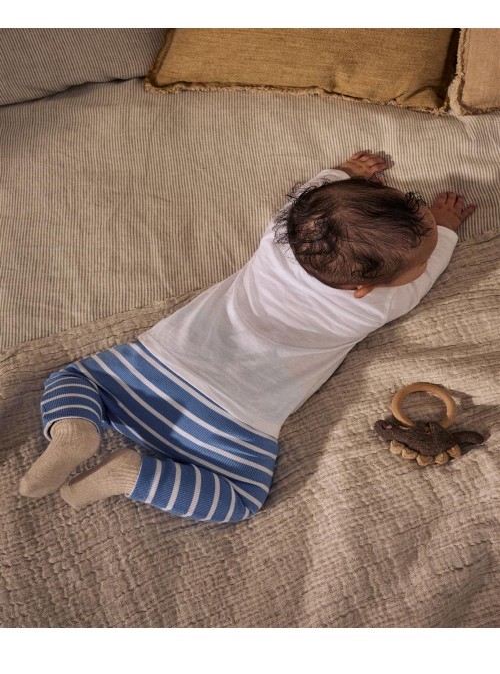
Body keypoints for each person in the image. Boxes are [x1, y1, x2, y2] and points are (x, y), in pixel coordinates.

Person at [19, 151, 477, 522]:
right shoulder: (377, 304)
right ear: (364, 287)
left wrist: (344, 173)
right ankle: (131, 477)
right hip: (234, 421)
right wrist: (446, 228)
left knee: (73, 378)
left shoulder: (279, 241)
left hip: (148, 370)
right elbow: (426, 272)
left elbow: (308, 200)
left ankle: (75, 430)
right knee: (240, 501)